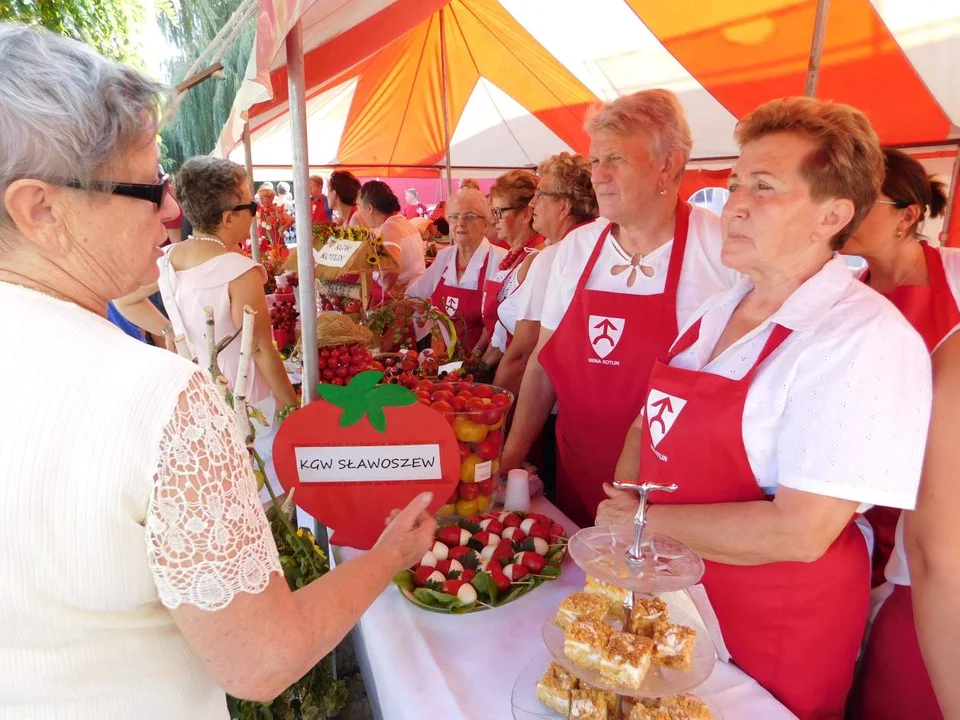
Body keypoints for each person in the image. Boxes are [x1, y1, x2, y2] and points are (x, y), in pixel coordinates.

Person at [0, 23, 436, 720]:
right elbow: (261, 660)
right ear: (41, 210)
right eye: (147, 188)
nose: (172, 210)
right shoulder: (156, 397)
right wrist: (388, 553)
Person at [596, 97, 933, 719]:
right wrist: (628, 512)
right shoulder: (717, 309)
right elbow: (651, 420)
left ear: (832, 214)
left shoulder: (860, 338)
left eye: (765, 187)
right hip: (673, 599)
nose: (736, 205)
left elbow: (801, 531)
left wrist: (638, 526)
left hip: (771, 628)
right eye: (734, 184)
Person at [501, 89, 738, 528]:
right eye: (595, 161)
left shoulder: (722, 251)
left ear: (667, 164)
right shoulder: (577, 248)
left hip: (667, 495)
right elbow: (543, 365)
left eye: (616, 160)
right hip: (576, 472)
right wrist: (509, 457)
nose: (599, 176)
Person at [845, 150, 957, 719]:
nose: (843, 214)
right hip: (860, 520)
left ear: (907, 215)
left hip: (934, 519)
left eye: (862, 203)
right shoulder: (845, 297)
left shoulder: (957, 278)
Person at [159, 156, 299, 412]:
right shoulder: (238, 270)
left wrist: (167, 328)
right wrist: (292, 406)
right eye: (252, 206)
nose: (255, 214)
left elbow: (127, 299)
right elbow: (259, 348)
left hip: (197, 390)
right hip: (243, 396)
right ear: (228, 218)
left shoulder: (169, 258)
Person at [492, 154, 598, 396]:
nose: (532, 204)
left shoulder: (552, 258)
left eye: (540, 195)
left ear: (564, 206)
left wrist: (494, 413)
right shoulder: (591, 245)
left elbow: (521, 357)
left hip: (539, 402)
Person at [406, 189, 507, 354]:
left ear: (485, 223)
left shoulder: (500, 261)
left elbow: (503, 325)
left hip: (485, 362)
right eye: (454, 216)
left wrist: (478, 359)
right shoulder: (444, 256)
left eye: (469, 216)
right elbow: (414, 297)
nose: (460, 222)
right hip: (443, 362)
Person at [480, 170, 545, 369]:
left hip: (513, 373)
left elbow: (521, 343)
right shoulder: (515, 255)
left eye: (499, 212)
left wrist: (481, 368)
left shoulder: (535, 260)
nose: (493, 220)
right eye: (493, 212)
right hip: (496, 364)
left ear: (526, 214)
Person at [358, 180, 426, 298]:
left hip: (407, 299)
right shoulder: (402, 221)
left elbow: (391, 270)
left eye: (359, 207)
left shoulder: (388, 228)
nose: (359, 213)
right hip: (418, 292)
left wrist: (388, 286)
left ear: (369, 208)